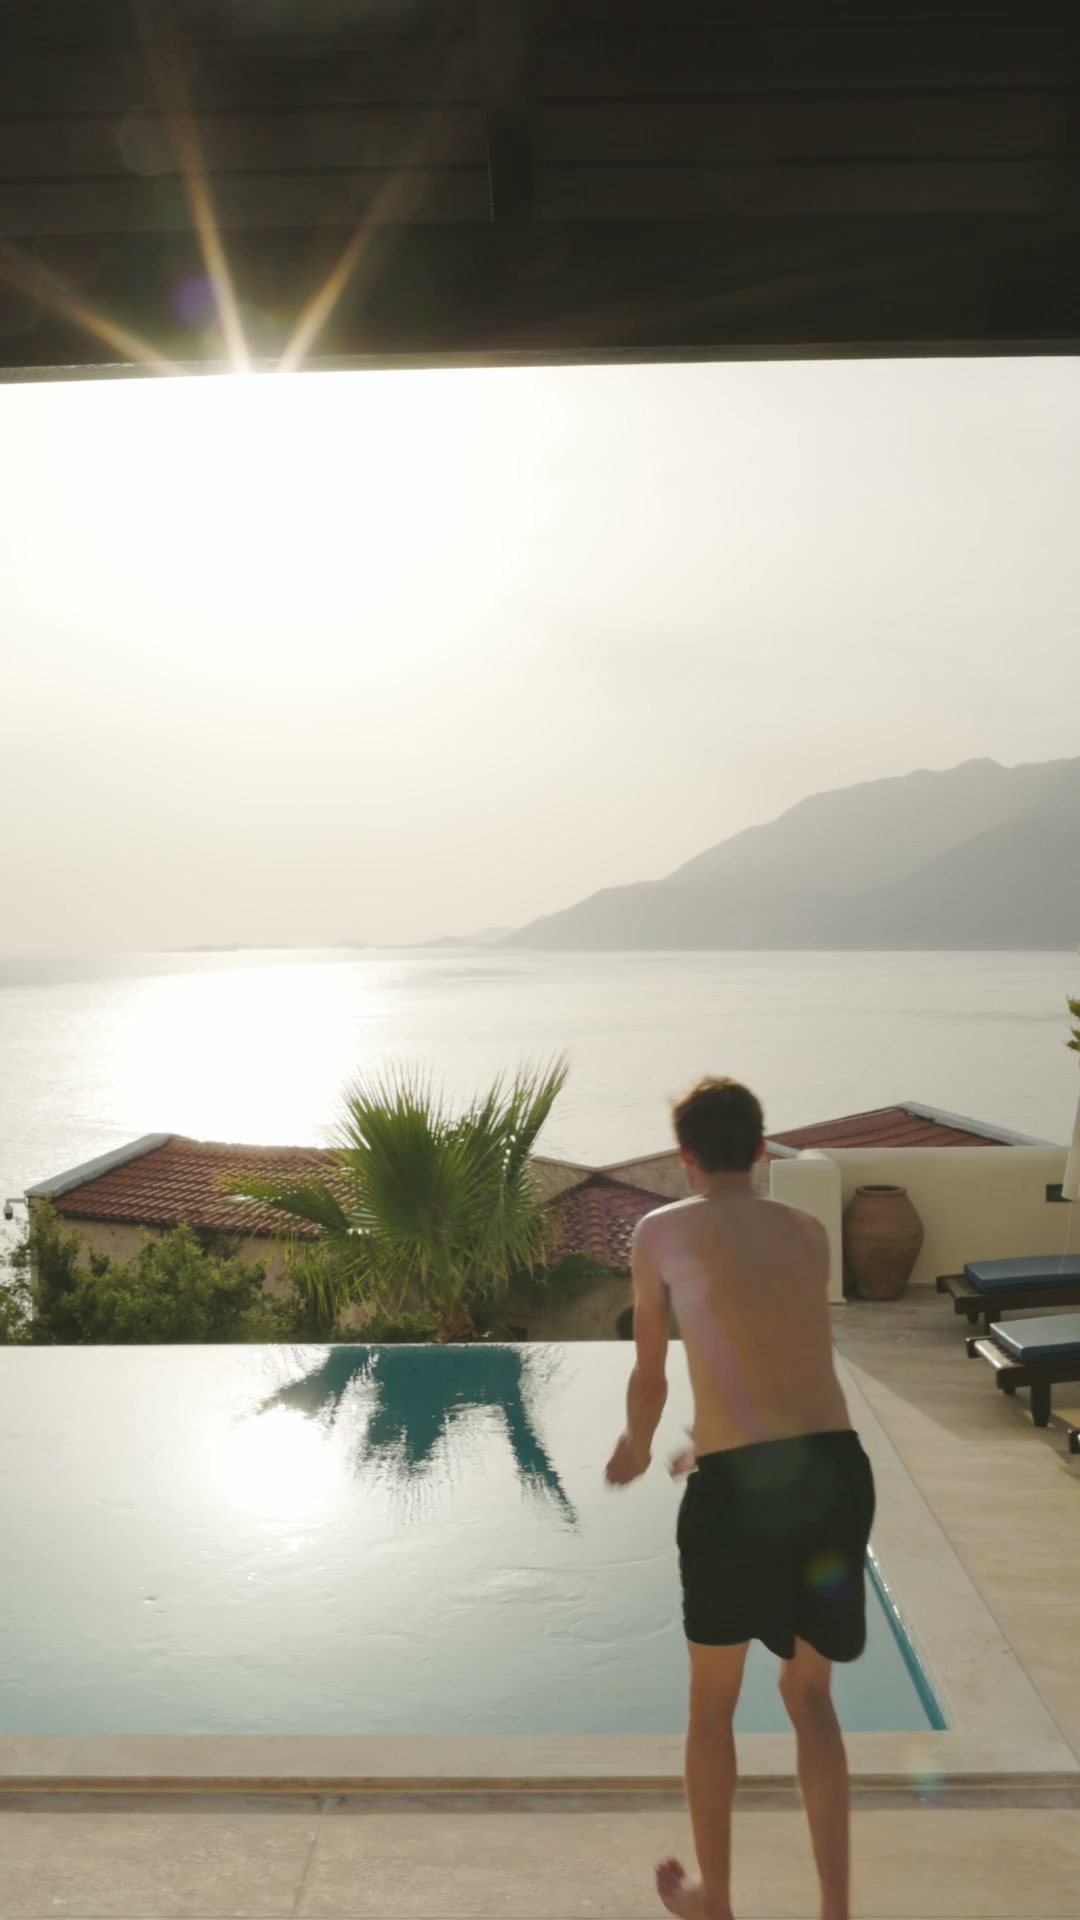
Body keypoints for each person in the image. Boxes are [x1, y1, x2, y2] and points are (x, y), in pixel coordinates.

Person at [605, 1077, 874, 1920]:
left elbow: (652, 1376)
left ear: (684, 1157)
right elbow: (781, 1357)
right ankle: (835, 1911)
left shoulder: (659, 1231)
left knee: (713, 1706)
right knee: (810, 1696)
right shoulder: (808, 1232)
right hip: (834, 1470)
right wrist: (713, 1441)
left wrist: (638, 1447)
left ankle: (716, 1899)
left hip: (739, 1492)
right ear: (760, 1149)